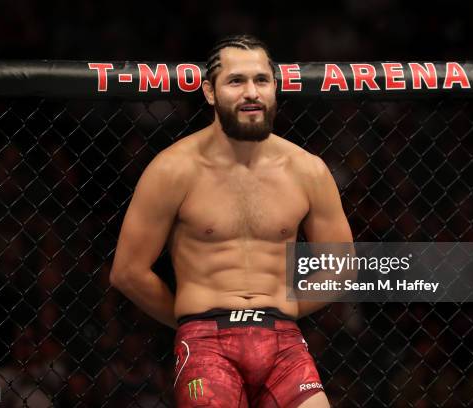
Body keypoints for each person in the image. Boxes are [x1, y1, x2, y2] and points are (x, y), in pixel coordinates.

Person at [110, 34, 353, 407]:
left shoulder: (308, 171)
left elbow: (341, 267)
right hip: (206, 340)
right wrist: (189, 320)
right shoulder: (173, 169)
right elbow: (128, 271)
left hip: (283, 340)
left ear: (275, 87)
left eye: (261, 80)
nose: (251, 92)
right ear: (209, 92)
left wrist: (279, 312)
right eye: (236, 81)